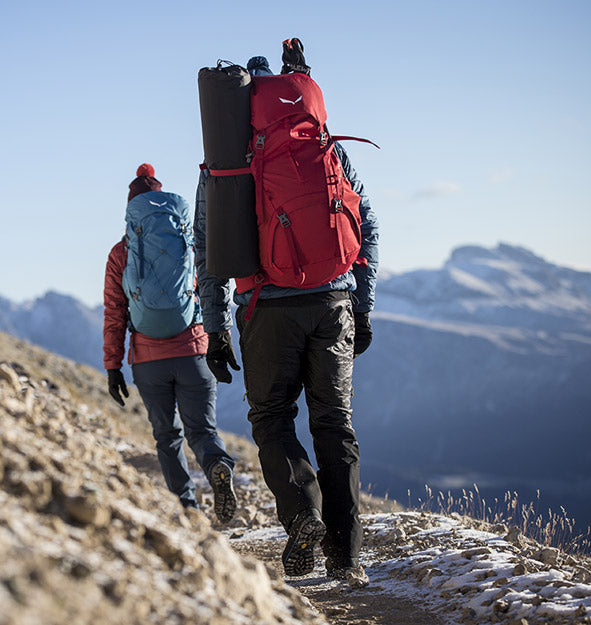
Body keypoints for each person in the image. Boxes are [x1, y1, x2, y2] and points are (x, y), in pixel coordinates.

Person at [195, 47, 378, 588]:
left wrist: (215, 327)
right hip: (333, 302)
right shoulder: (319, 141)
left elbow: (207, 248)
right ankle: (347, 557)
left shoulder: (225, 157)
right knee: (334, 424)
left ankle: (301, 514)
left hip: (264, 307)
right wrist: (362, 305)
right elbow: (362, 219)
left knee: (272, 418)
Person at [104, 163, 237, 523]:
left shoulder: (122, 252)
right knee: (203, 431)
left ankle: (187, 508)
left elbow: (115, 312)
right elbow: (209, 287)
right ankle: (217, 467)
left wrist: (113, 366)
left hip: (148, 360)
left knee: (167, 436)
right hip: (194, 350)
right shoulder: (186, 241)